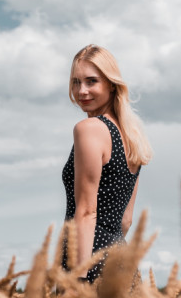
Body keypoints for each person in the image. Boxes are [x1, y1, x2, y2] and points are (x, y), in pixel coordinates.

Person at [61, 45, 152, 283]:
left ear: (111, 84)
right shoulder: (132, 138)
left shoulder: (90, 129)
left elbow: (87, 211)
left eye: (91, 81)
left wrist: (78, 279)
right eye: (75, 82)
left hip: (87, 263)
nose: (82, 91)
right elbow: (125, 220)